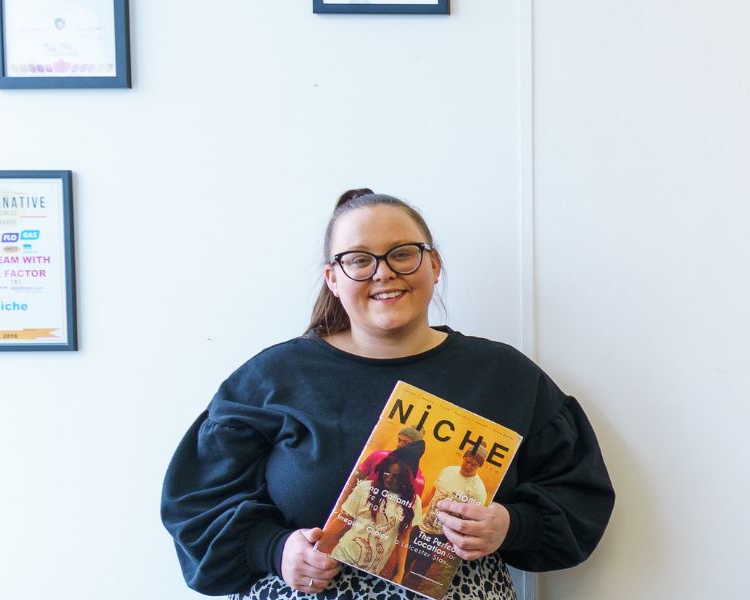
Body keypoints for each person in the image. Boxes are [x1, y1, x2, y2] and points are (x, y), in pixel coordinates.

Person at [161, 189, 616, 599]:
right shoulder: (274, 377)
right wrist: (274, 549)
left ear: (434, 265)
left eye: (403, 253)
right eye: (358, 259)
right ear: (333, 279)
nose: (383, 273)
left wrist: (511, 525)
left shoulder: (505, 377)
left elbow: (579, 496)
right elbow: (196, 504)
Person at [404, 441, 496, 593]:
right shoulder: (448, 471)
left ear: (480, 466)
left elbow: (470, 520)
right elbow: (433, 492)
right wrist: (416, 511)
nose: (467, 466)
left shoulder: (478, 490)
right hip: (422, 525)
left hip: (441, 534)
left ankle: (409, 592)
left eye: (473, 464)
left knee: (420, 567)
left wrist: (450, 542)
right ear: (463, 457)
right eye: (466, 461)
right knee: (405, 557)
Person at [325, 441, 425, 578]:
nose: (389, 478)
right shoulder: (365, 488)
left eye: (396, 476)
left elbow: (404, 537)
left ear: (406, 479)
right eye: (387, 472)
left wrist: (400, 573)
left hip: (372, 570)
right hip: (343, 556)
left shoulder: (414, 502)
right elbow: (342, 520)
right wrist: (318, 545)